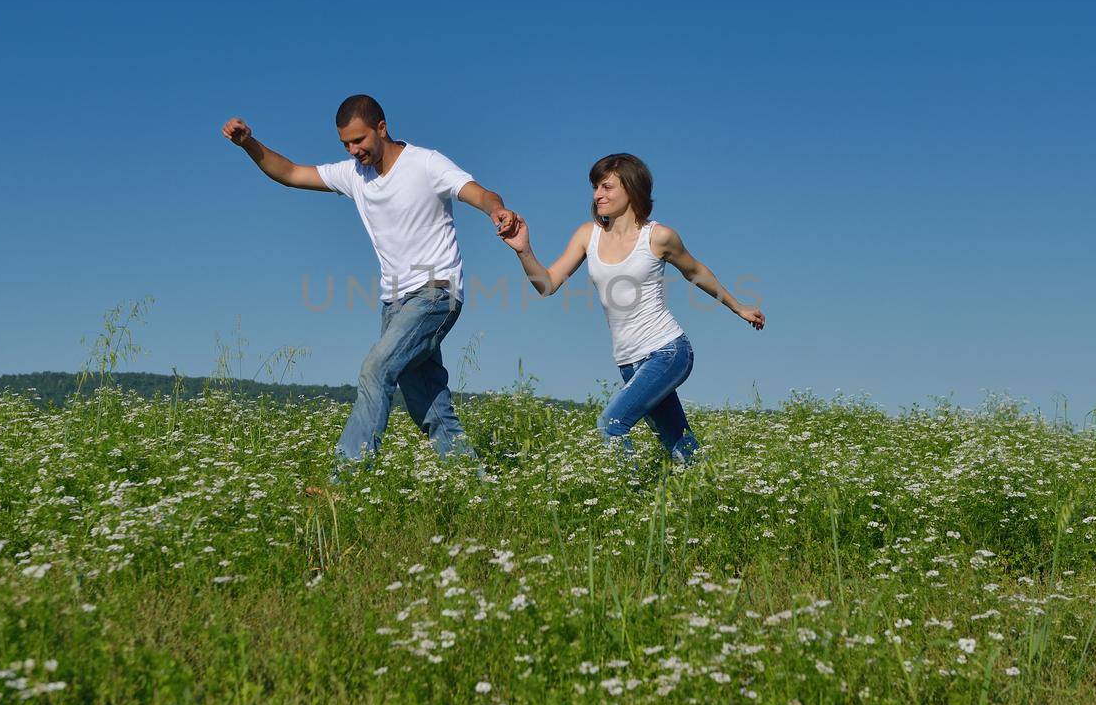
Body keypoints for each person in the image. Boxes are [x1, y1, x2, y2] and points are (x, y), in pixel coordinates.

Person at [222, 94, 519, 479]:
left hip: (435, 292)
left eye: (359, 140)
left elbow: (476, 191)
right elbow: (291, 173)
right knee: (426, 400)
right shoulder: (354, 175)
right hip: (394, 303)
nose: (353, 150)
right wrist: (249, 143)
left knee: (375, 370)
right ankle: (473, 483)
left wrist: (496, 210)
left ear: (381, 128)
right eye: (345, 143)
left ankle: (345, 480)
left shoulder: (425, 163)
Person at [503, 153, 763, 463]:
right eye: (596, 187)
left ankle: (629, 497)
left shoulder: (658, 237)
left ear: (631, 188)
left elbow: (696, 272)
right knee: (678, 443)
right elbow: (546, 284)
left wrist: (738, 307)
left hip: (667, 350)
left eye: (607, 187)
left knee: (612, 424)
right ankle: (711, 492)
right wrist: (524, 250)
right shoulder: (588, 236)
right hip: (628, 361)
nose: (598, 194)